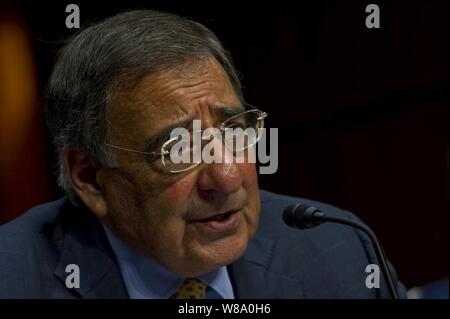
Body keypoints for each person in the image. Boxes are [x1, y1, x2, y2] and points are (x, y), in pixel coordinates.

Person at [0, 10, 406, 299]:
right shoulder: (14, 278)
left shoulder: (339, 251)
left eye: (234, 132)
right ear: (90, 177)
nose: (227, 177)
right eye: (179, 148)